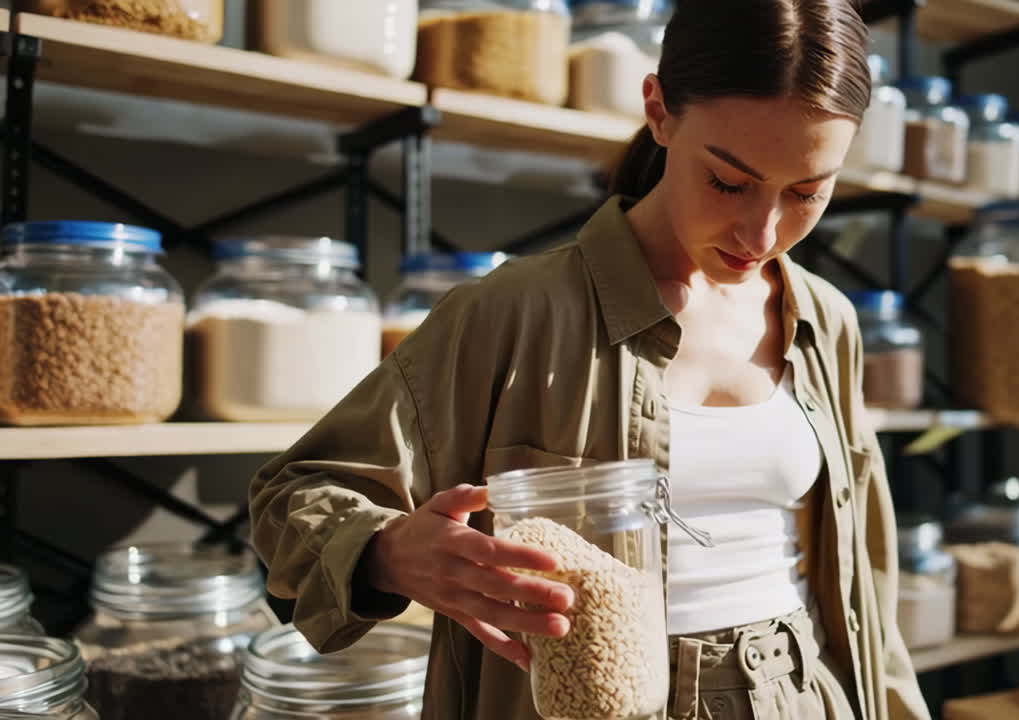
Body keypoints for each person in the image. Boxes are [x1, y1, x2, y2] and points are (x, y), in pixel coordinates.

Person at [249, 0, 930, 718]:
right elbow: (291, 493)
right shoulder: (513, 313)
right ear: (659, 111)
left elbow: (865, 585)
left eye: (806, 192)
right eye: (728, 182)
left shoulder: (828, 321)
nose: (760, 232)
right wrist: (386, 551)